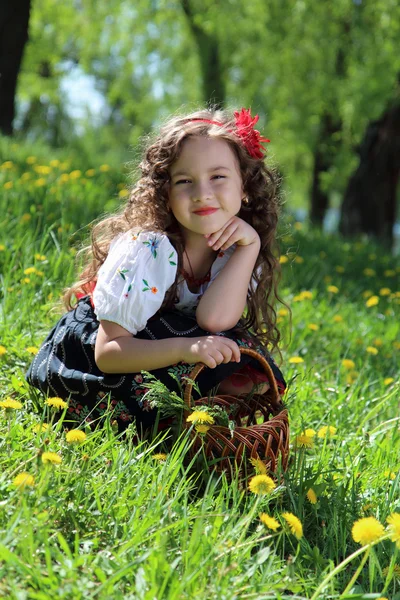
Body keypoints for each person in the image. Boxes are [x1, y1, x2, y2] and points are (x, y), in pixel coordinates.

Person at [26, 106, 287, 435]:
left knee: (237, 355)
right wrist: (186, 349)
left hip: (169, 343)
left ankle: (198, 420)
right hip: (106, 354)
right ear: (165, 193)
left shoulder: (241, 251)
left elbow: (215, 321)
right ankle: (159, 425)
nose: (202, 193)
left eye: (218, 177)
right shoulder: (148, 251)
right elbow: (107, 354)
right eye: (184, 181)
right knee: (190, 357)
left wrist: (248, 247)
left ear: (245, 187)